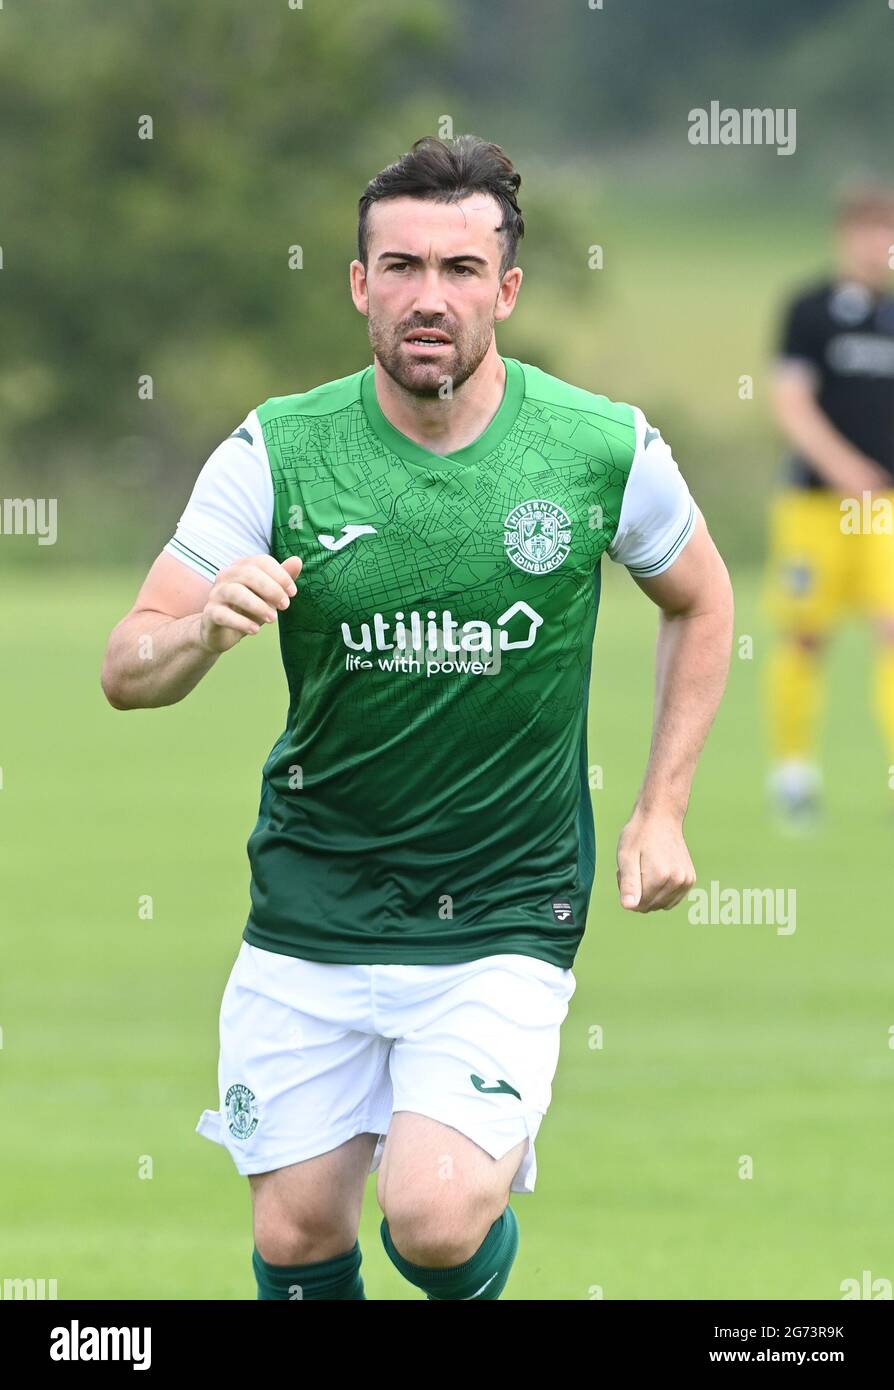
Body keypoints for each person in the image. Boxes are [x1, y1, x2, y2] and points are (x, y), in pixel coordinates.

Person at [101, 134, 733, 1300]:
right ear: (359, 285)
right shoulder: (277, 451)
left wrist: (662, 809)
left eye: (456, 267)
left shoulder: (597, 447)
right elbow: (128, 662)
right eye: (399, 267)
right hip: (312, 902)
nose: (426, 296)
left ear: (507, 289)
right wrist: (198, 633)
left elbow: (701, 598)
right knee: (298, 1236)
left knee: (433, 1215)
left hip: (502, 907)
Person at [766, 185, 894, 826]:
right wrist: (845, 468)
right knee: (807, 634)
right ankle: (793, 774)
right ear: (847, 236)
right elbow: (790, 401)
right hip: (815, 505)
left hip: (884, 512)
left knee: (891, 631)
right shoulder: (810, 311)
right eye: (873, 232)